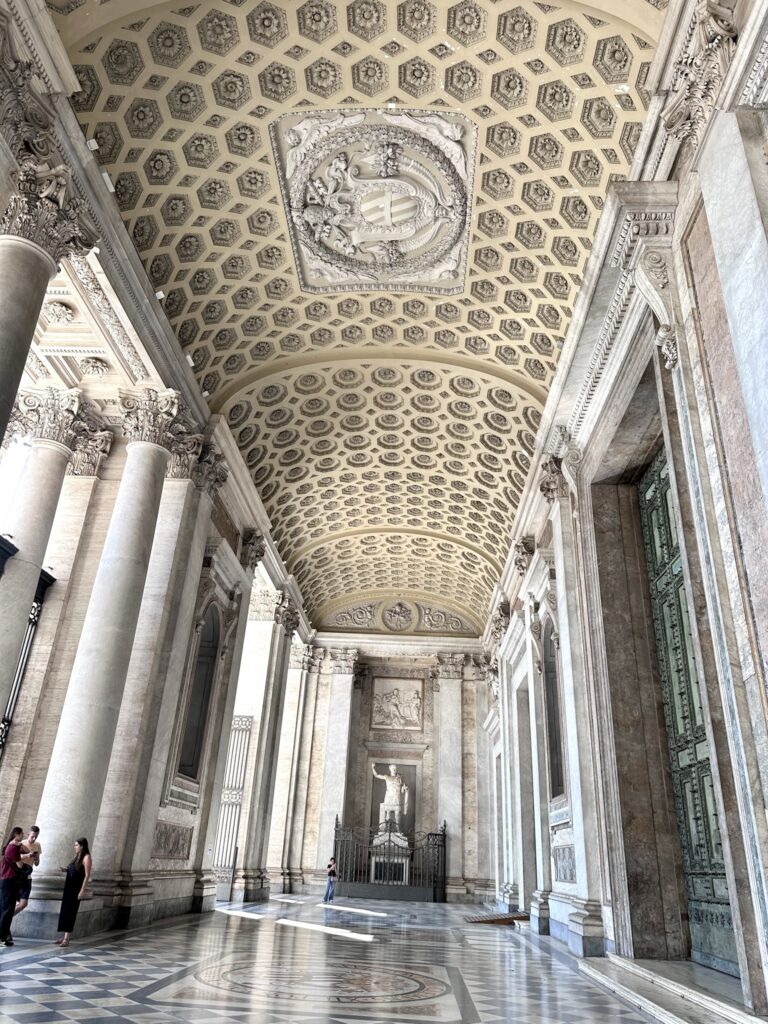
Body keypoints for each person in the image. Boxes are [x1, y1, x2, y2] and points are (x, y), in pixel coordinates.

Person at [55, 837, 92, 946]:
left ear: (82, 846)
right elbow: (75, 870)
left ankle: (66, 939)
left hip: (76, 889)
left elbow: (86, 875)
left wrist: (82, 891)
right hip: (68, 887)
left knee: (71, 912)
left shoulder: (86, 857)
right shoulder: (77, 856)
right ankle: (63, 937)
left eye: (76, 845)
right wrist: (65, 870)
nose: (74, 847)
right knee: (65, 911)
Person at [0, 828, 34, 946]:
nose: (23, 836)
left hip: (5, 880)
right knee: (7, 910)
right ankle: (3, 937)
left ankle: (4, 936)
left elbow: (25, 850)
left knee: (5, 909)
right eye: (22, 834)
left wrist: (20, 846)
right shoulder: (13, 848)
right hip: (10, 880)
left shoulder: (9, 846)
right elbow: (19, 865)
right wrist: (25, 858)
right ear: (16, 834)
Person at [371, 762, 409, 831]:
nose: (394, 770)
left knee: (397, 813)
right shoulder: (387, 777)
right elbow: (376, 775)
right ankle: (388, 829)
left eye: (395, 769)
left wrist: (405, 788)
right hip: (389, 797)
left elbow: (402, 790)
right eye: (393, 769)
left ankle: (398, 828)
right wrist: (372, 767)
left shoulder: (399, 778)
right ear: (390, 769)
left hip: (396, 797)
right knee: (388, 812)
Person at [15, 826, 41, 916]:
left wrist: (37, 859)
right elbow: (15, 858)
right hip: (18, 876)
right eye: (32, 836)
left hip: (28, 877)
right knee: (10, 902)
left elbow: (37, 863)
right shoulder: (21, 843)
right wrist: (27, 855)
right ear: (28, 834)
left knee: (24, 904)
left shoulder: (37, 845)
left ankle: (5, 917)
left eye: (36, 836)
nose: (34, 839)